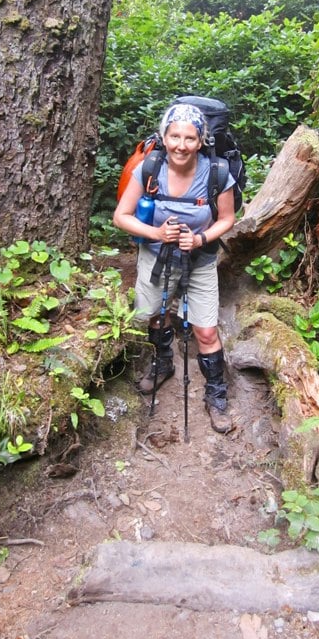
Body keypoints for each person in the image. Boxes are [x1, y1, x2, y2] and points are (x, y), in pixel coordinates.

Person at [113, 101, 236, 433]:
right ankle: (162, 362)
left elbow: (227, 219)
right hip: (156, 256)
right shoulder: (149, 169)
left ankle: (216, 395)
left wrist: (199, 239)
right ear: (164, 137)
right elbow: (121, 216)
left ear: (201, 141)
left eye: (190, 138)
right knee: (155, 313)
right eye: (175, 136)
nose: (182, 145)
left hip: (200, 260)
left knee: (206, 330)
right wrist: (156, 232)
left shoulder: (217, 173)